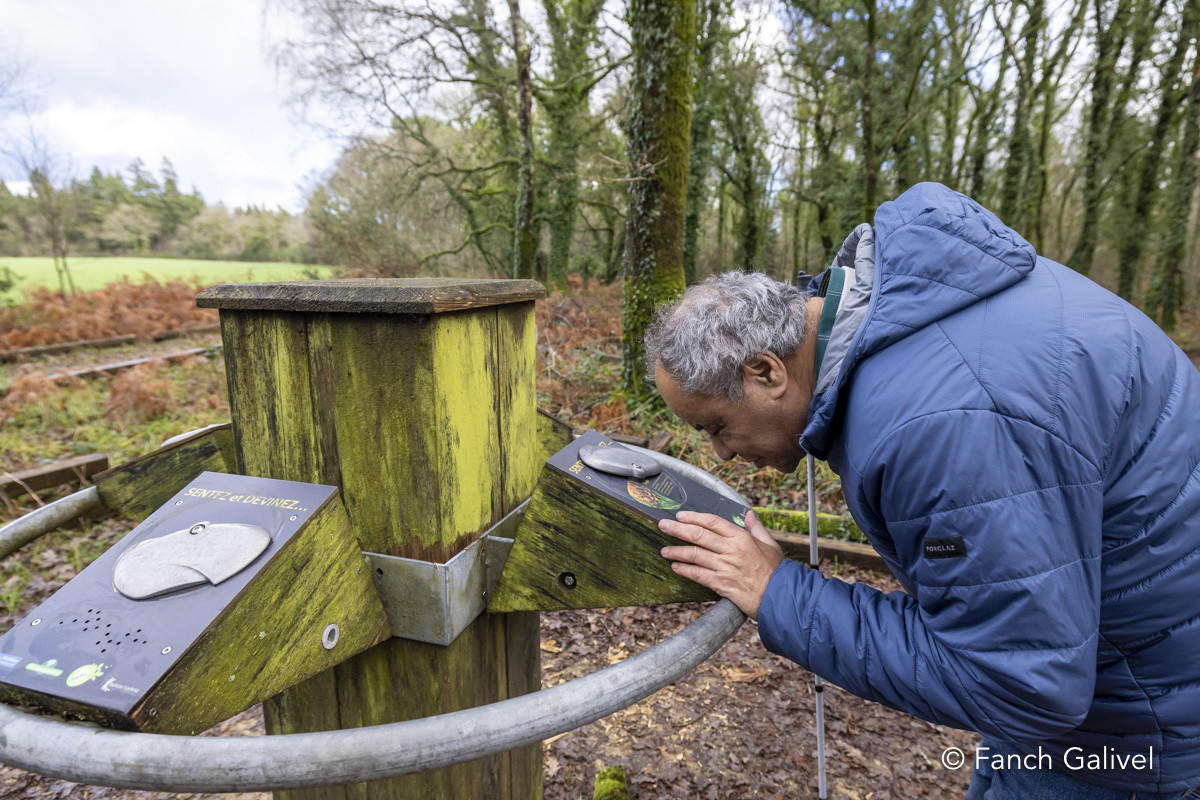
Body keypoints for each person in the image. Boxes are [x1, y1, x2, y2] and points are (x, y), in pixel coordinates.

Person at [645, 182, 1200, 798]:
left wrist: (780, 594)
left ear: (767, 370)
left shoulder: (937, 424)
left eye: (716, 426)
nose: (720, 453)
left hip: (1140, 731)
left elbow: (1019, 683)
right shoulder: (913, 314)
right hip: (1116, 668)